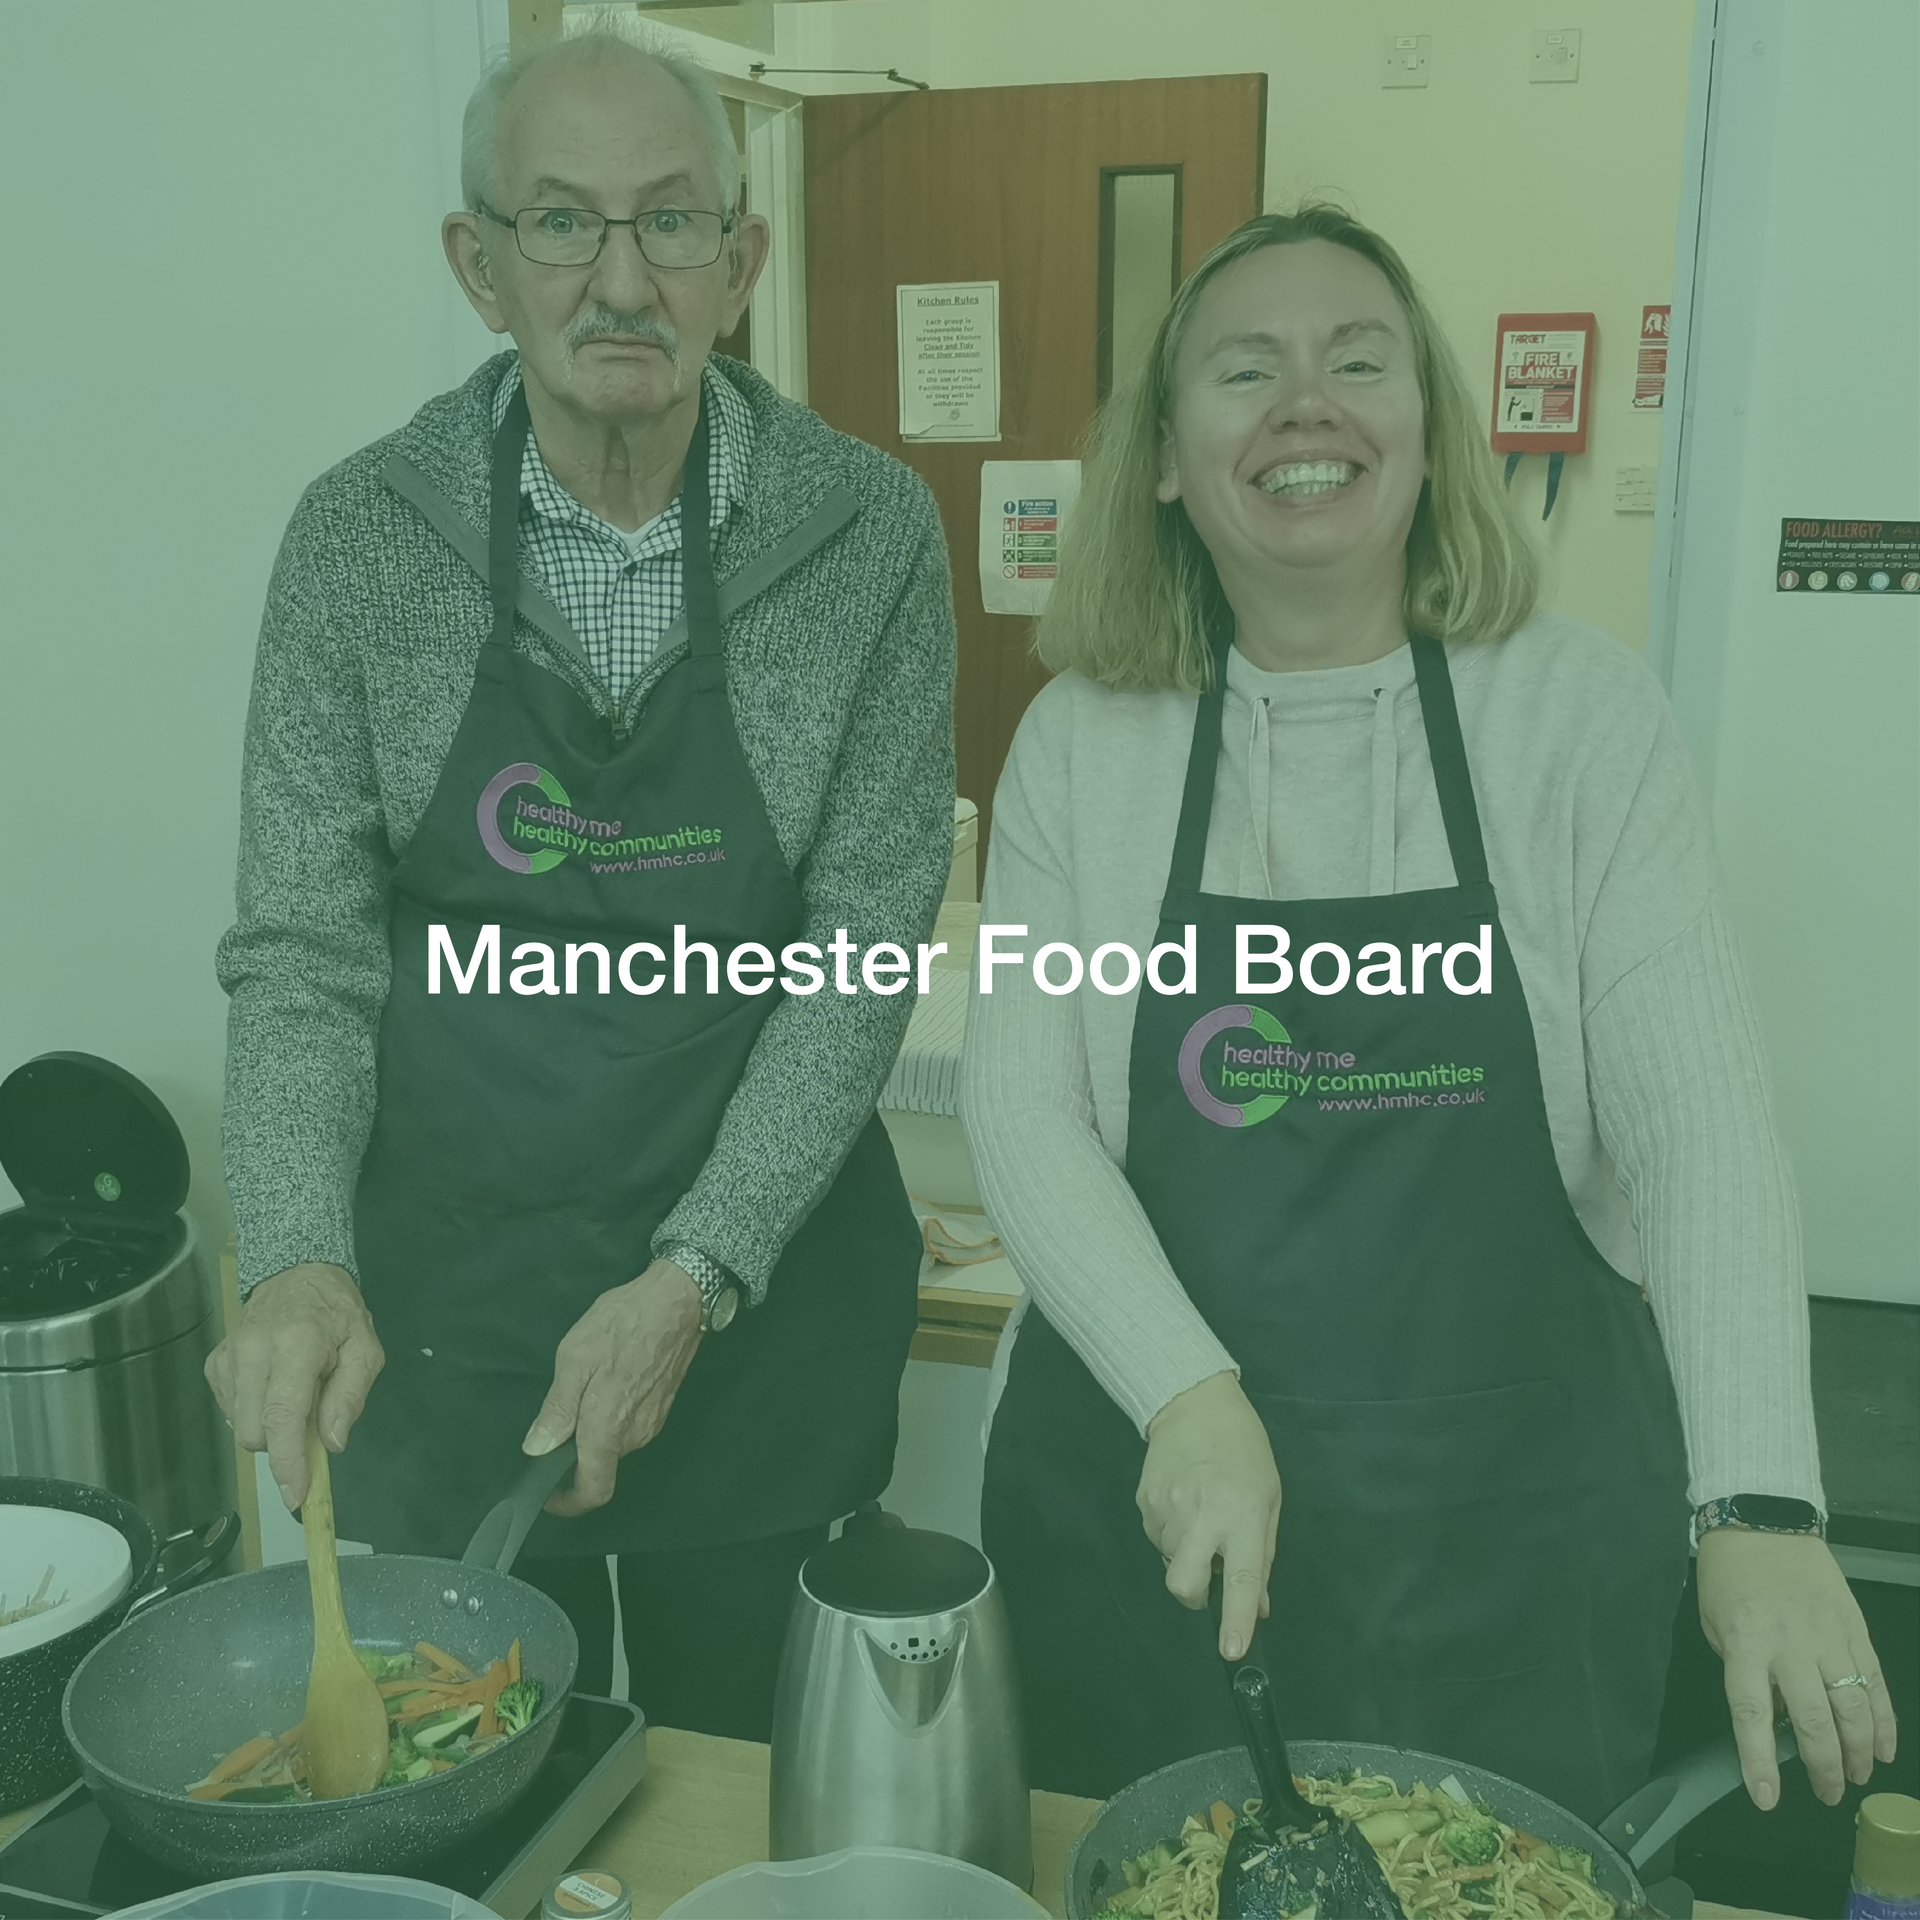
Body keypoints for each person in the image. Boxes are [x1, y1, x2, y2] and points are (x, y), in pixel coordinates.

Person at [960, 206, 1897, 1819]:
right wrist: (1186, 1392)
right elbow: (1022, 1105)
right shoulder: (1082, 743)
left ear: (1427, 432)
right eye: (1245, 369)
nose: (1306, 403)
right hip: (1156, 1530)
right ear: (1168, 460)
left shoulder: (1580, 715)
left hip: (1509, 1555)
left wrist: (1762, 1507)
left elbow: (1703, 1130)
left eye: (1359, 360)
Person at [207, 23, 955, 1740]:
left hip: (757, 1315)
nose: (621, 279)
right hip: (449, 1322)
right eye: (562, 224)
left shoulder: (870, 535)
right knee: (475, 1775)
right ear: (481, 267)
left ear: (740, 262)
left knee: (739, 1797)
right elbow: (304, 953)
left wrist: (699, 1270)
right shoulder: (354, 541)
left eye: (673, 222)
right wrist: (299, 1260)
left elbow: (860, 951)